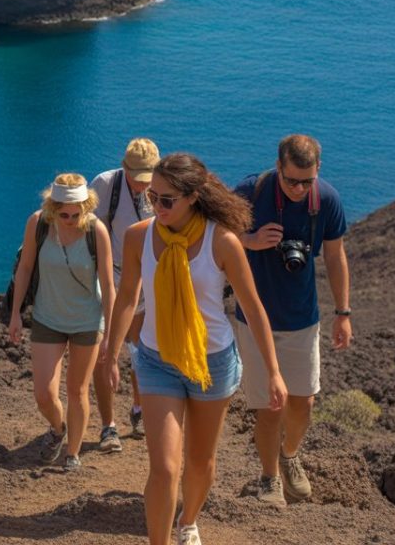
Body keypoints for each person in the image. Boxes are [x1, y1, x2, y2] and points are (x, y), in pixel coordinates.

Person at [100, 153, 286, 545]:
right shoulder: (138, 236)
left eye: (167, 200)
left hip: (212, 362)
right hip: (155, 359)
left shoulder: (223, 241)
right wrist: (110, 352)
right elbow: (128, 297)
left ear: (193, 197)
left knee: (199, 463)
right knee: (165, 468)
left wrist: (272, 371)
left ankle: (188, 521)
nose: (157, 207)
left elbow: (252, 308)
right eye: (153, 197)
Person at [234, 134, 350, 507]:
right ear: (278, 166)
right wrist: (249, 240)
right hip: (254, 317)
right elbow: (215, 234)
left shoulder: (326, 199)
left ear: (318, 171)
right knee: (270, 405)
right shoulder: (252, 192)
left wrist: (343, 313)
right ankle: (269, 478)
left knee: (303, 403)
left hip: (302, 317)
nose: (299, 189)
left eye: (307, 181)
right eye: (292, 180)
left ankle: (290, 455)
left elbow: (335, 257)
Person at [8, 173, 116, 474]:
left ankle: (72, 454)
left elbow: (108, 285)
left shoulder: (97, 231)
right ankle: (58, 428)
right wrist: (15, 313)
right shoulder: (38, 223)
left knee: (78, 389)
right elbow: (25, 267)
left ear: (87, 205)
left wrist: (111, 333)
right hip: (47, 317)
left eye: (76, 213)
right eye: (63, 213)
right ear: (52, 207)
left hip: (87, 320)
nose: (70, 219)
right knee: (44, 394)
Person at [91, 137, 160, 448]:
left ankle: (139, 410)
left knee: (142, 352)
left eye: (148, 179)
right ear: (124, 167)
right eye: (137, 178)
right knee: (105, 351)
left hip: (146, 283)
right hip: (110, 280)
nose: (141, 186)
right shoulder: (105, 186)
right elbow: (89, 233)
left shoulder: (162, 190)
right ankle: (108, 427)